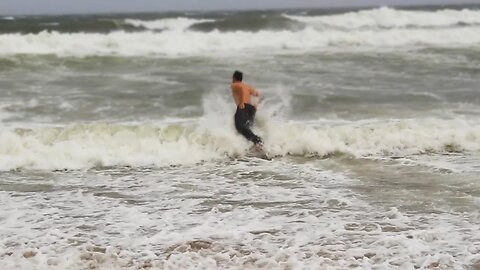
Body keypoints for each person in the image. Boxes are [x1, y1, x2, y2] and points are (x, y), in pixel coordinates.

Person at [231, 70, 263, 146]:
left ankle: (258, 141)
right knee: (247, 128)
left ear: (234, 78)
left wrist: (241, 102)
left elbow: (241, 89)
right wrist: (256, 105)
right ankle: (251, 146)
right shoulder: (247, 86)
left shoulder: (235, 84)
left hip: (243, 107)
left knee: (240, 127)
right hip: (251, 108)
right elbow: (258, 94)